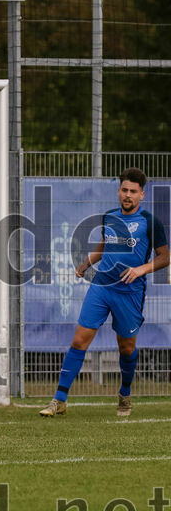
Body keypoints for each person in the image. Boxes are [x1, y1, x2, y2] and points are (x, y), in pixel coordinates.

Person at [40, 167, 168, 418]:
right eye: (124, 190)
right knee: (79, 341)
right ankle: (59, 399)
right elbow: (106, 243)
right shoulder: (109, 216)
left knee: (126, 348)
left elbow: (165, 257)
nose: (127, 195)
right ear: (118, 191)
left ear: (142, 194)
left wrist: (141, 270)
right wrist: (87, 263)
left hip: (130, 292)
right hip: (101, 287)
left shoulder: (150, 222)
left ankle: (125, 393)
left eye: (133, 191)